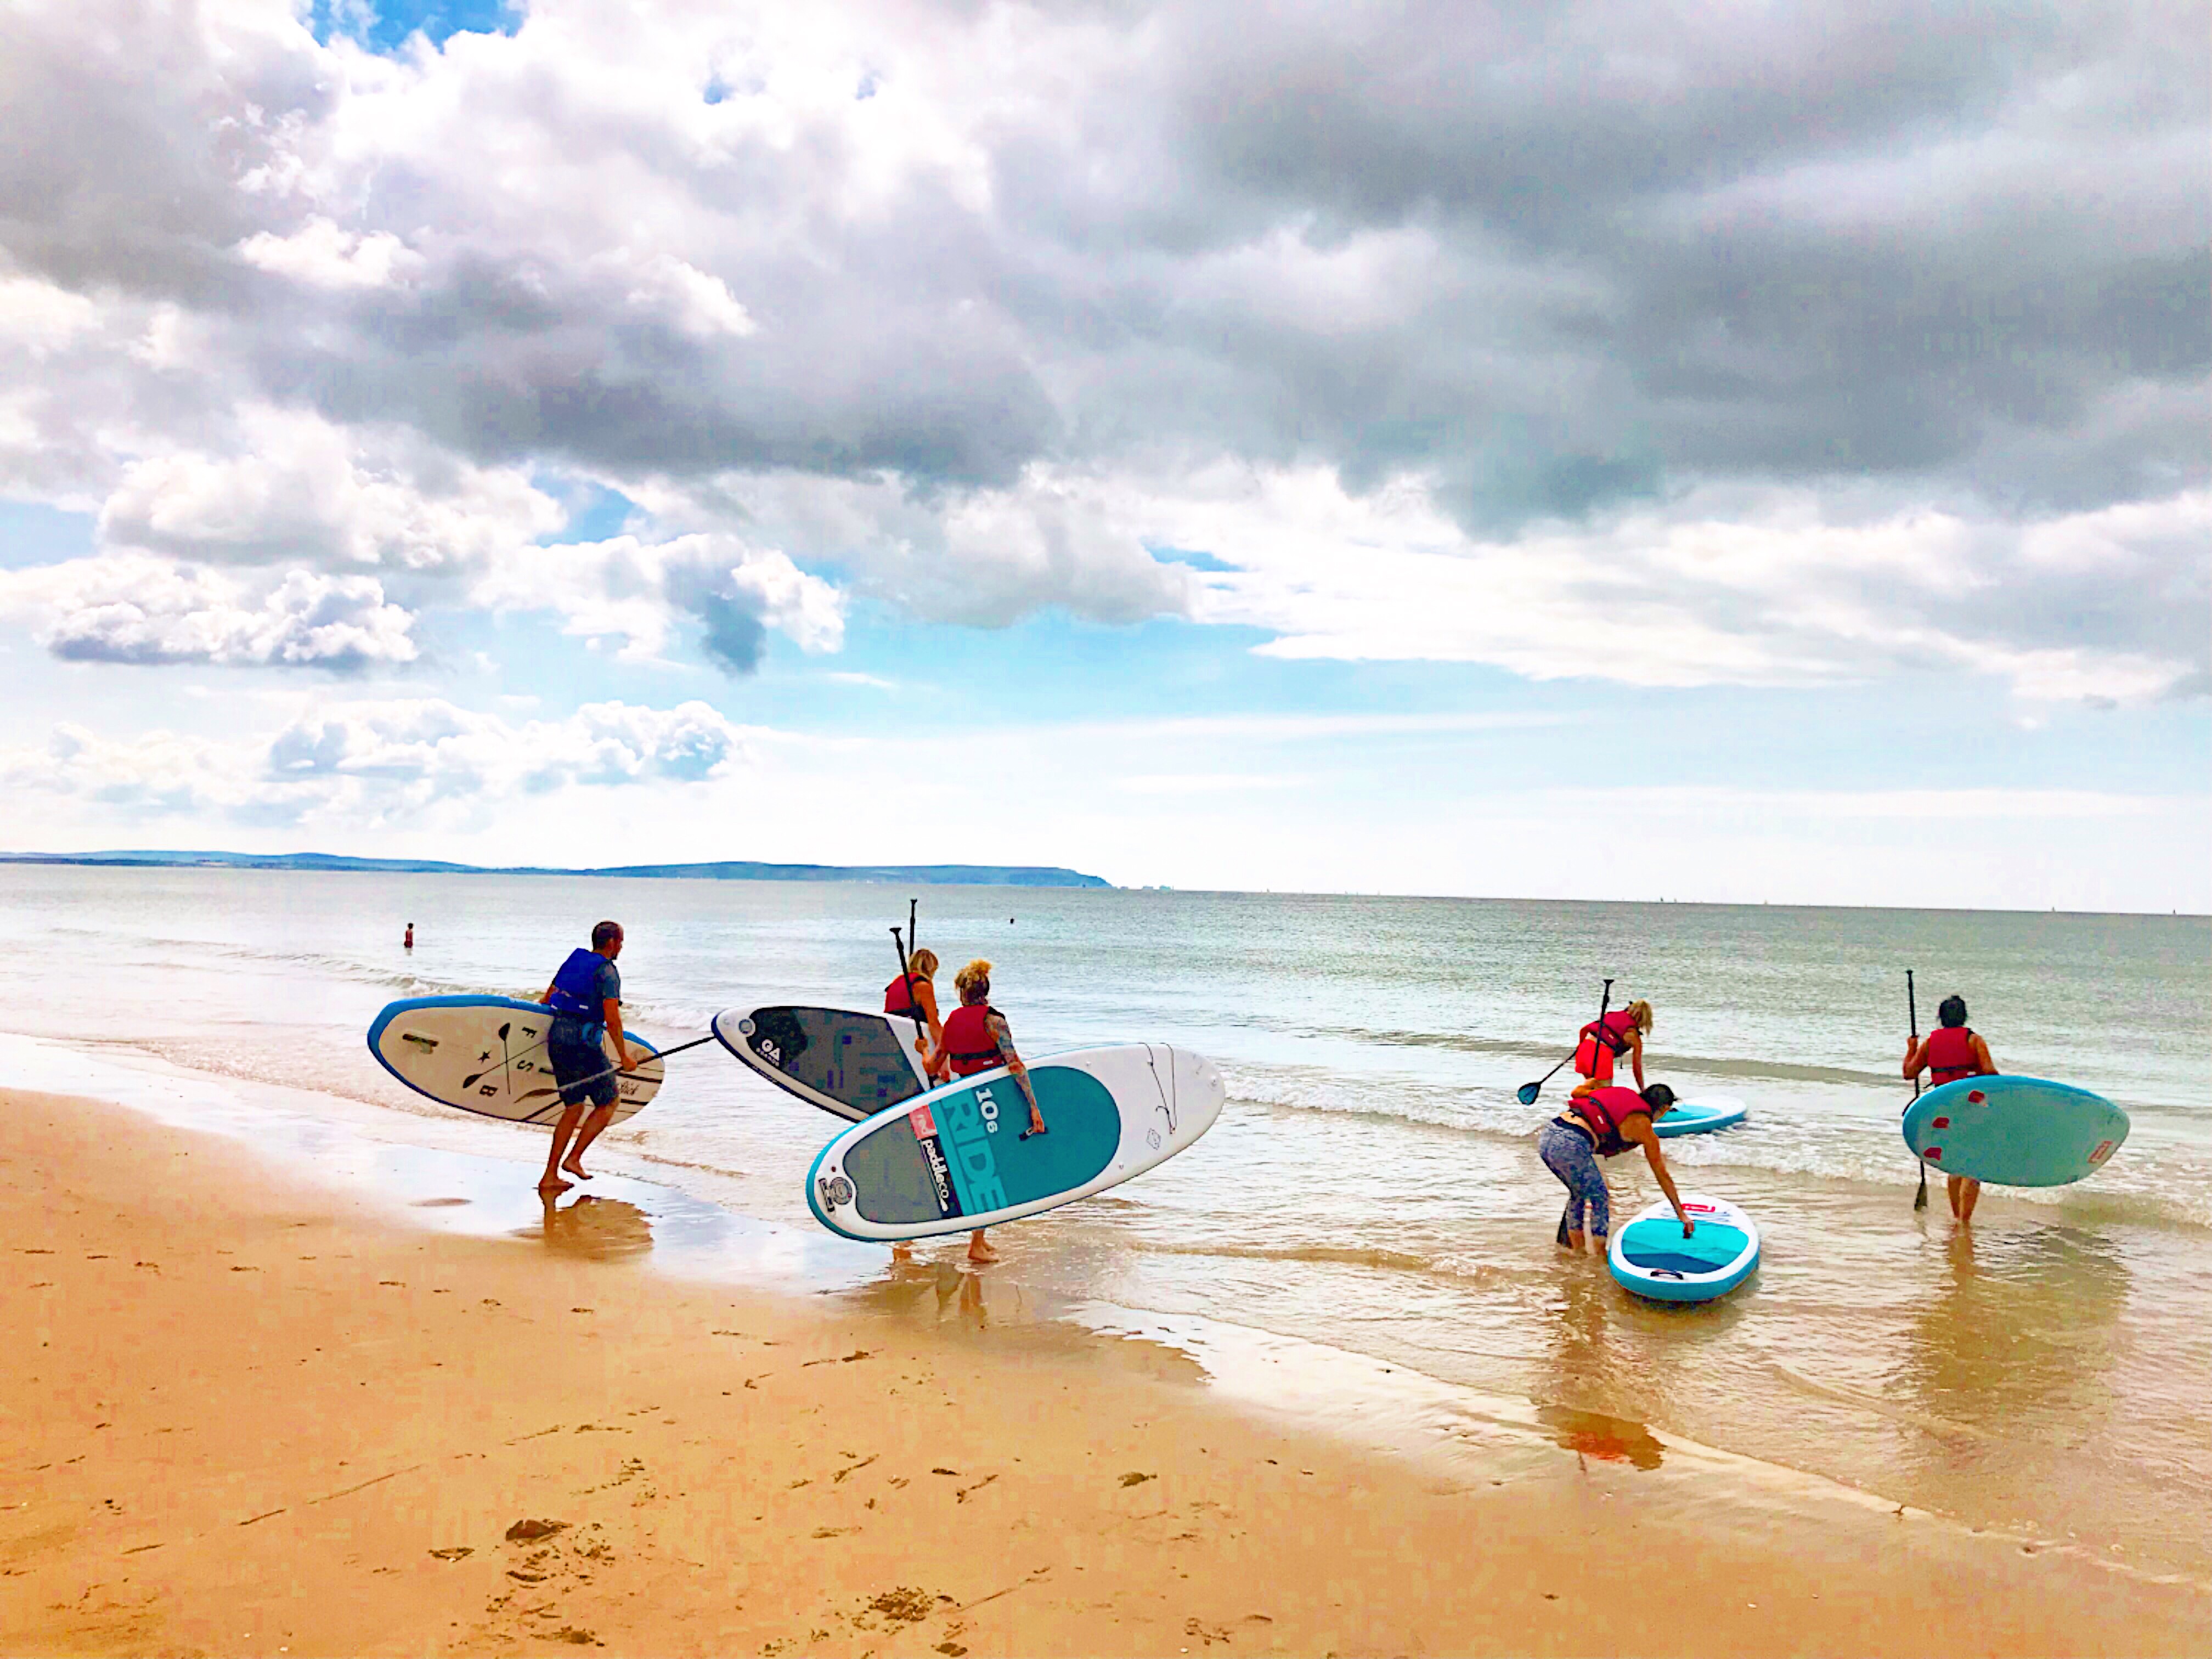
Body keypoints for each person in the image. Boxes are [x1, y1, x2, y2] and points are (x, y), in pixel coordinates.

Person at [939, 958, 1046, 1263]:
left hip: (959, 1100)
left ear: (963, 993)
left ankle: (978, 1242)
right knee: (989, 1169)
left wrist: (923, 1052)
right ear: (985, 991)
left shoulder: (951, 1023)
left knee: (975, 1167)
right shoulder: (994, 1022)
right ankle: (976, 1244)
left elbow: (935, 1065)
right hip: (991, 1101)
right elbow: (1014, 1064)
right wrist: (1034, 1108)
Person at [535, 920, 635, 1194]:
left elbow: (547, 999)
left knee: (574, 1107)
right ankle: (574, 1158)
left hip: (558, 1037)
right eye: (621, 942)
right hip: (583, 1042)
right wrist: (624, 1056)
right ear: (612, 942)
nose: (622, 947)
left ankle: (550, 1176)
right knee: (609, 1101)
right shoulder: (607, 972)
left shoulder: (574, 961)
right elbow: (612, 1018)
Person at [1539, 1076, 1692, 1254]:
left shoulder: (1621, 1093)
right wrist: (1681, 1214)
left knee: (1579, 1194)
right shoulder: (1644, 1127)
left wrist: (1591, 1082)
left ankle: (1577, 1252)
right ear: (1664, 1109)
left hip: (1548, 1134)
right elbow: (1662, 1175)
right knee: (1600, 1197)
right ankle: (1598, 1256)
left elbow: (1578, 1093)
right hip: (1571, 1142)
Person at [1903, 993, 1998, 1224]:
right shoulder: (1974, 1040)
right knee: (1973, 1165)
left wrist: (1911, 1049)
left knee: (1955, 1162)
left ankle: (1958, 1219)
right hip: (1970, 1108)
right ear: (1964, 1017)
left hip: (1942, 1108)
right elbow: (1992, 1074)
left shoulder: (1931, 1042)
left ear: (1941, 1017)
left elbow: (1909, 1073)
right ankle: (1964, 1220)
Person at [885, 947, 949, 1082]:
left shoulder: (895, 984)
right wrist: (943, 1062)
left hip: (895, 1036)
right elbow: (934, 1025)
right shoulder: (923, 986)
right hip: (917, 1041)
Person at [1573, 998, 1652, 1090]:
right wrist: (1642, 1089)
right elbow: (1637, 1068)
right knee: (1604, 1094)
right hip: (1601, 1057)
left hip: (1585, 1049)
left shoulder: (1611, 1016)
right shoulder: (1634, 1036)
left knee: (1591, 1088)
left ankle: (1579, 1100)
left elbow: (1584, 1030)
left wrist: (1580, 1047)